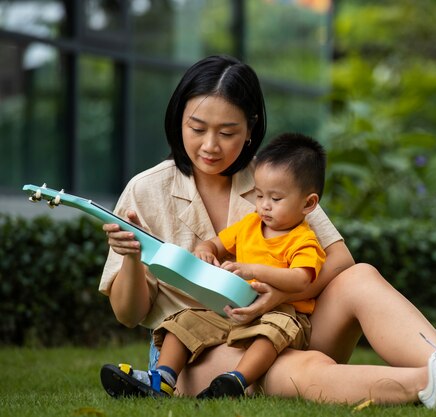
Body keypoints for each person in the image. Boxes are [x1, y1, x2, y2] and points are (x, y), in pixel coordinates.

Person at [97, 54, 436, 411]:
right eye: (197, 128)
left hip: (287, 322)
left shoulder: (273, 177)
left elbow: (339, 260)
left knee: (361, 276)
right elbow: (129, 313)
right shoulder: (146, 190)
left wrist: (280, 296)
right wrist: (133, 257)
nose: (210, 145)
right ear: (178, 119)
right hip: (201, 348)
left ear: (251, 131)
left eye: (227, 132)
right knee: (300, 366)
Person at [101, 132, 328, 399]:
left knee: (271, 333)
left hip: (282, 312)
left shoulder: (304, 239)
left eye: (275, 199)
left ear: (308, 203)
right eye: (259, 195)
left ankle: (236, 380)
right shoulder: (252, 224)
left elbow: (301, 279)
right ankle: (161, 377)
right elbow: (217, 243)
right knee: (185, 320)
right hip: (232, 310)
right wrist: (204, 250)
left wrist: (253, 270)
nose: (264, 206)